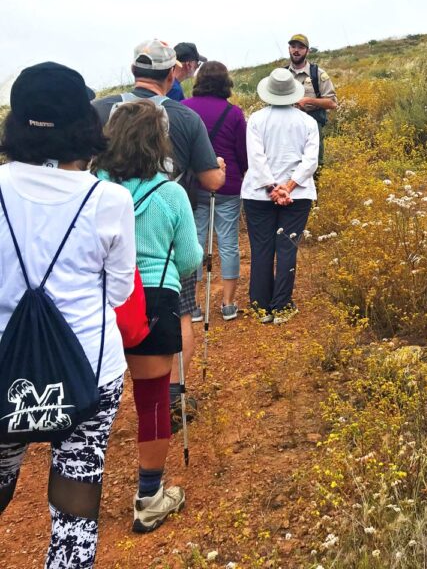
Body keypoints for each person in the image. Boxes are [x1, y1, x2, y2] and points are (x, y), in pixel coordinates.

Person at [0, 62, 136, 568]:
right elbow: (119, 291)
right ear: (83, 124)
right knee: (76, 506)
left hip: (3, 369)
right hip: (88, 372)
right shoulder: (108, 200)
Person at [92, 39, 225, 427]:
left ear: (133, 70)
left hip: (101, 240)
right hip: (164, 245)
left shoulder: (98, 109)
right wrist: (217, 166)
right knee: (180, 311)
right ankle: (173, 392)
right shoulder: (184, 119)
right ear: (172, 74)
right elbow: (212, 179)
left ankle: (102, 388)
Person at [94, 100, 203, 533]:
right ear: (159, 141)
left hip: (98, 300)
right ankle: (149, 495)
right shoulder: (171, 193)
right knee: (153, 400)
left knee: (89, 400)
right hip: (154, 299)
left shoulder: (93, 186)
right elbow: (191, 257)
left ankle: (75, 492)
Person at [242, 68, 319, 324]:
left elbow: (256, 158)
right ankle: (282, 305)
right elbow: (310, 161)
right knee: (287, 247)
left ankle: (261, 305)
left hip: (258, 195)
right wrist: (289, 186)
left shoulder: (256, 119)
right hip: (298, 195)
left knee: (261, 247)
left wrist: (271, 188)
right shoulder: (308, 122)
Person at [182, 62, 248, 320]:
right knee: (229, 242)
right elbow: (242, 153)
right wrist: (242, 174)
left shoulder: (186, 108)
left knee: (196, 241)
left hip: (195, 185)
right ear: (226, 83)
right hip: (228, 185)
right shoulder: (233, 113)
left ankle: (194, 304)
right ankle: (228, 303)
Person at [286, 33, 337, 169]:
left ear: (307, 51)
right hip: (286, 129)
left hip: (312, 129)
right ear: (289, 49)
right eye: (293, 46)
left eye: (301, 47)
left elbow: (332, 103)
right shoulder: (282, 75)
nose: (296, 50)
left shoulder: (318, 74)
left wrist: (309, 101)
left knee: (313, 169)